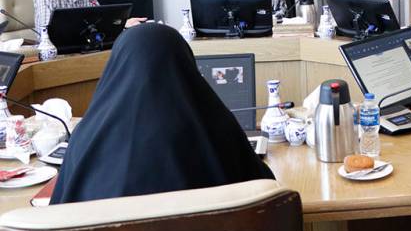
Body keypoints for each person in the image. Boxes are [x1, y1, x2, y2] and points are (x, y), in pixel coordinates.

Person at [50, 23, 274, 204]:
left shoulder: (85, 139)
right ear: (186, 66)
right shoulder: (220, 129)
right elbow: (267, 191)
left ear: (116, 67)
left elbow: (57, 215)